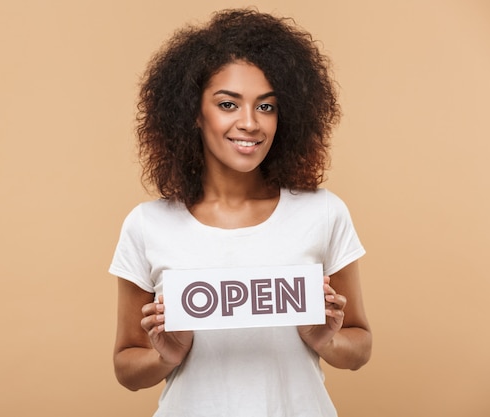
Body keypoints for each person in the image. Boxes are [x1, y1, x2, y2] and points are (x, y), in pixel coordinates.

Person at [110, 8, 372, 417]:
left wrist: (327, 341)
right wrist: (167, 356)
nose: (250, 123)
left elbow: (359, 349)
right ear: (194, 113)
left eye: (266, 107)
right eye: (228, 104)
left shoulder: (323, 213)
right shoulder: (148, 225)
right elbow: (127, 367)